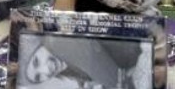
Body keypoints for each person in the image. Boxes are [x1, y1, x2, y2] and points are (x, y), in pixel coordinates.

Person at [20, 36, 148, 89]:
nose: (44, 71)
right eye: (39, 77)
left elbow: (113, 79)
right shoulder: (69, 69)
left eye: (36, 62)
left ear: (40, 46)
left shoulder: (61, 39)